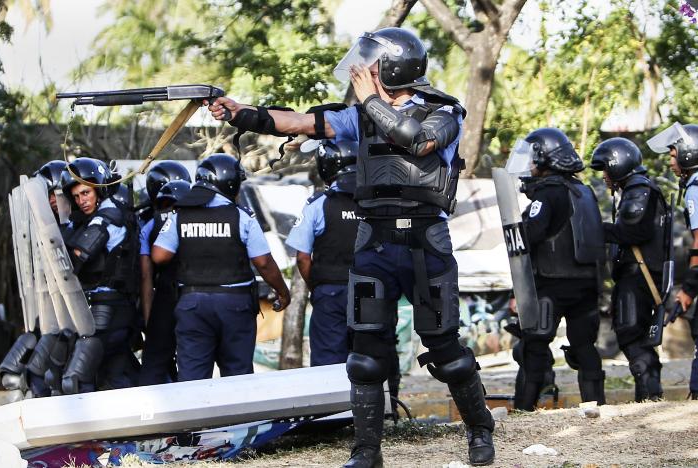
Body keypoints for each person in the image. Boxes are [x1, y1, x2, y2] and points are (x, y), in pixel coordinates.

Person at [207, 27, 495, 467]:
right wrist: (239, 112)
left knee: (445, 349)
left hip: (425, 243)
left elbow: (417, 141)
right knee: (364, 356)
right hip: (375, 242)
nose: (364, 69)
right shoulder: (360, 115)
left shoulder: (443, 111)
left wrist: (370, 102)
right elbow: (300, 122)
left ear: (395, 67)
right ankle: (366, 451)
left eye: (373, 63)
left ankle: (479, 430)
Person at [151, 154, 291, 382]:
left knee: (192, 379)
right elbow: (263, 262)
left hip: (192, 304)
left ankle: (196, 417)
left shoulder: (180, 214)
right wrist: (283, 293)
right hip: (235, 305)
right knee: (237, 377)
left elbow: (159, 256)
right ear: (232, 183)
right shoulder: (241, 216)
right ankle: (240, 419)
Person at [509, 128, 605, 410]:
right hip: (586, 285)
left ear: (544, 158)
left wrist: (516, 229)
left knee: (534, 347)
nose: (528, 166)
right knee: (585, 347)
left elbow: (532, 233)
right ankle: (595, 406)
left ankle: (524, 409)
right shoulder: (584, 191)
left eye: (532, 158)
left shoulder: (548, 193)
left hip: (552, 282)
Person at [591, 138, 668, 402]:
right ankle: (649, 395)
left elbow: (633, 230)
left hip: (638, 277)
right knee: (635, 335)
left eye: (606, 170)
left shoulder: (638, 190)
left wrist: (597, 228)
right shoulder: (637, 189)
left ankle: (648, 396)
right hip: (637, 276)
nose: (604, 177)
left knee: (630, 334)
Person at [61, 157, 139, 392]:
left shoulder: (108, 217)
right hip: (106, 307)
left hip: (111, 307)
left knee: (78, 376)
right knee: (113, 374)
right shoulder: (97, 217)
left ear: (99, 190)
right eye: (76, 197)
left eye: (86, 193)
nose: (81, 201)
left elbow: (78, 255)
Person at [0, 159, 71, 398]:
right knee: (20, 377)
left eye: (53, 194)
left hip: (74, 315)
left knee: (57, 378)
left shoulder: (79, 227)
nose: (50, 201)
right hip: (47, 312)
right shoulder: (39, 228)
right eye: (46, 195)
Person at [286, 140, 359, 366]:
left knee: (328, 363)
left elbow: (302, 257)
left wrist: (316, 285)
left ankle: (335, 403)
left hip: (330, 292)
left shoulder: (319, 205)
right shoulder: (376, 202)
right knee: (373, 359)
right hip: (372, 292)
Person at [648, 123, 698, 399]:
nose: (670, 161)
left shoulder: (695, 188)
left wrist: (689, 288)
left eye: (672, 154)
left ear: (688, 154)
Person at [138, 161, 192, 385]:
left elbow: (145, 277)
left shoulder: (148, 224)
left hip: (165, 296)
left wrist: (150, 321)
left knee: (154, 362)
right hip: (193, 295)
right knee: (194, 364)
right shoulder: (198, 218)